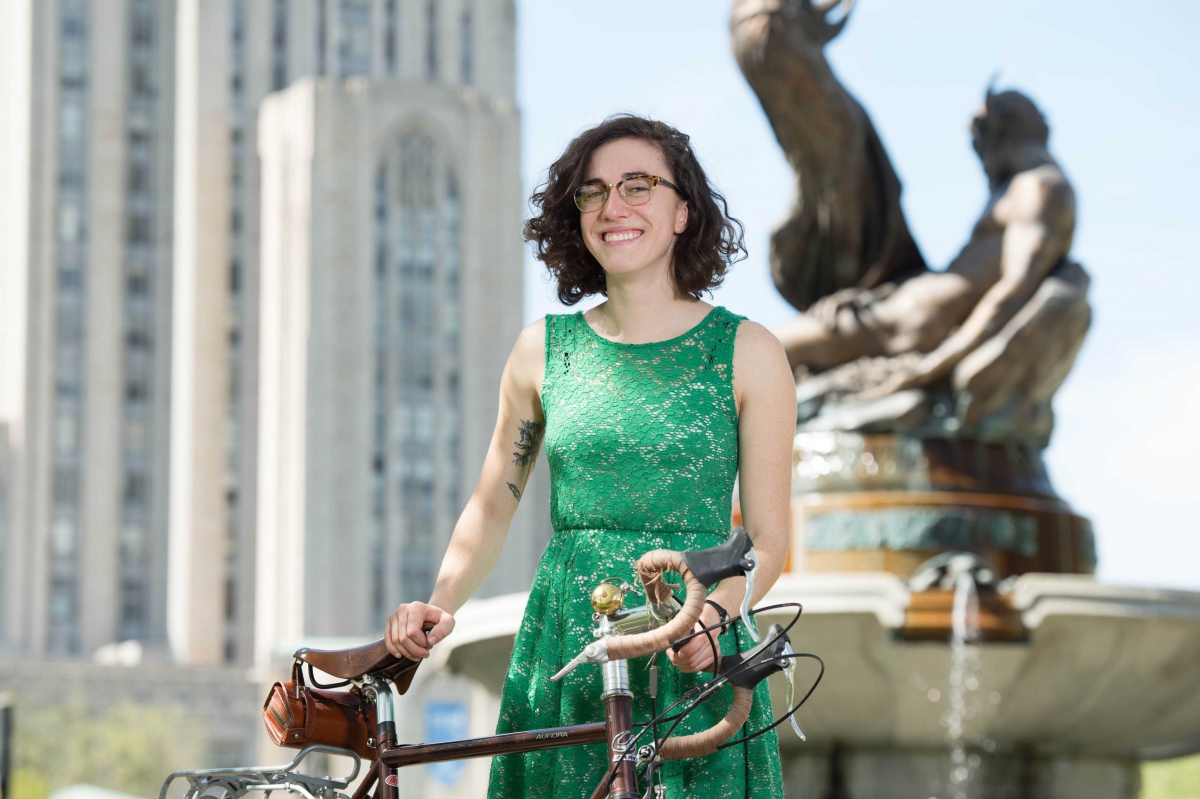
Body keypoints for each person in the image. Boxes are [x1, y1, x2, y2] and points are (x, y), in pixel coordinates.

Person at [383, 114, 796, 798]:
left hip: (695, 642)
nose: (614, 207)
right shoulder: (540, 350)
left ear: (683, 211)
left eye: (639, 186)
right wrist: (442, 600)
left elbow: (770, 539)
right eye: (593, 191)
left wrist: (715, 621)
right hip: (569, 641)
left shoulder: (750, 351)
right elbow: (493, 502)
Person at [772, 89, 1077, 397]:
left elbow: (1015, 289)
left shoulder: (1038, 187)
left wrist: (935, 363)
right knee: (758, 351)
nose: (982, 163)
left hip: (912, 324)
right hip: (896, 309)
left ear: (995, 133)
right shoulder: (1021, 187)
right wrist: (876, 296)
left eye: (977, 147)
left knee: (755, 352)